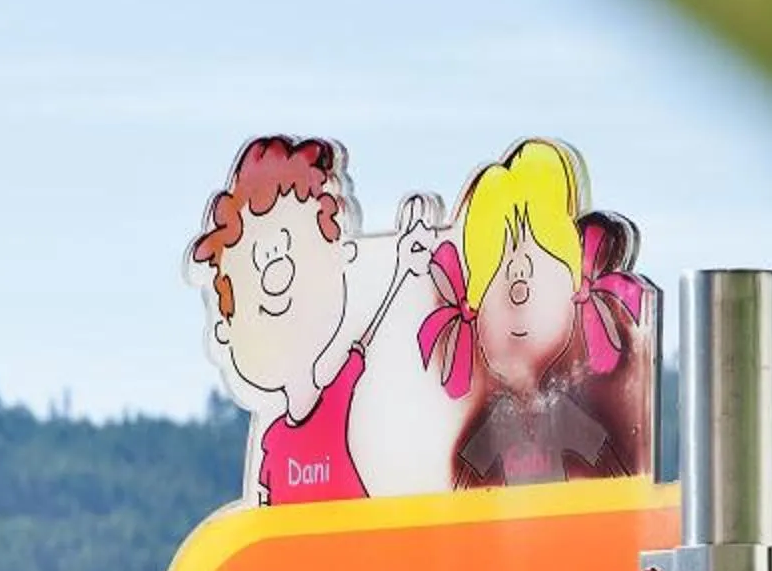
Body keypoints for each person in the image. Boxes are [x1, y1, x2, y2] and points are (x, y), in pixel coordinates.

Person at [188, 137, 440, 505]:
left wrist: (402, 266)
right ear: (225, 329)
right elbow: (267, 513)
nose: (276, 273)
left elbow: (372, 334)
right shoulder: (272, 442)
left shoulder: (336, 399)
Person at [416, 139, 653, 489]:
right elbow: (462, 485)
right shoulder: (496, 420)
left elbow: (617, 478)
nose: (518, 272)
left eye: (539, 255)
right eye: (499, 265)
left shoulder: (565, 412)